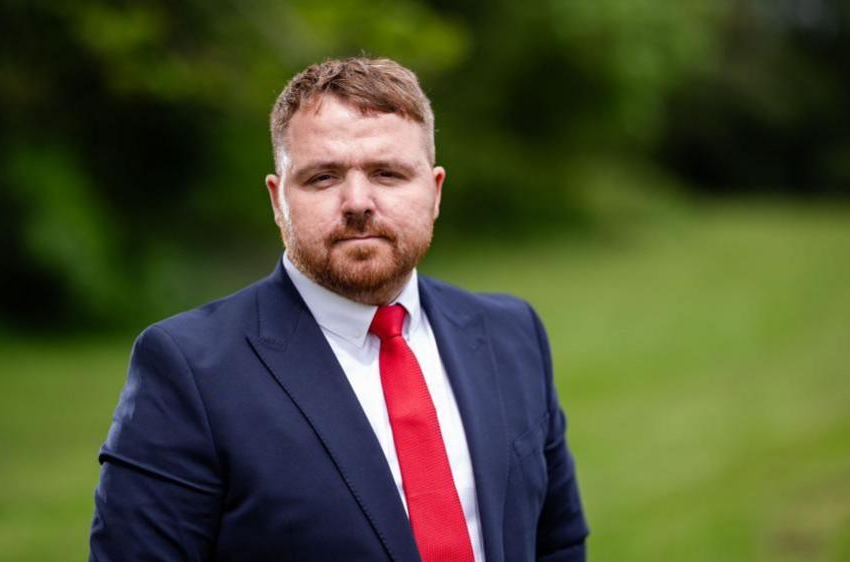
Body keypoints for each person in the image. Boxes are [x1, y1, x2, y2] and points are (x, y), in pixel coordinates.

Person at [89, 57, 588, 562]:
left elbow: (559, 542)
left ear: (434, 191)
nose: (357, 202)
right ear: (278, 199)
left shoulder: (512, 333)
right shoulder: (189, 370)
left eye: (387, 173)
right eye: (323, 177)